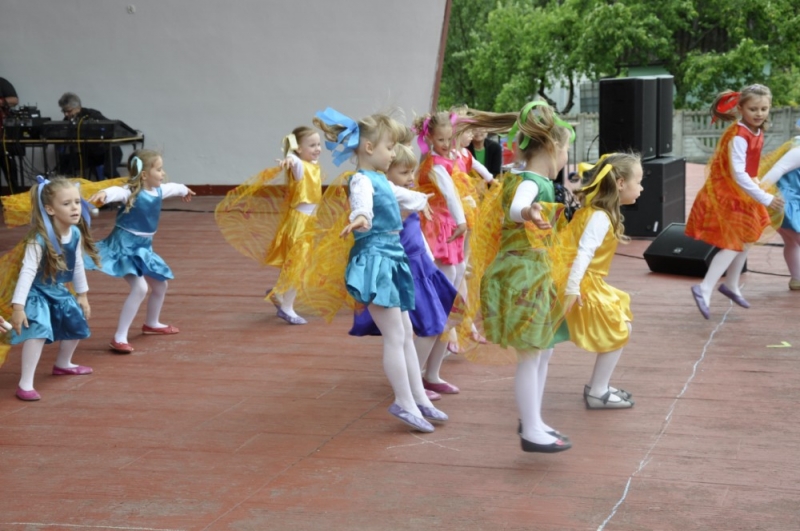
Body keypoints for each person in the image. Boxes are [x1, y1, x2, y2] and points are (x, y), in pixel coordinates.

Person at [314, 107, 447, 432]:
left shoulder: (379, 180)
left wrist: (421, 201)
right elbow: (363, 204)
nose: (393, 153)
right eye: (389, 147)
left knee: (405, 333)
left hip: (391, 257)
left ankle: (419, 397)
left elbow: (400, 194)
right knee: (395, 335)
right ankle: (404, 400)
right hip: (376, 260)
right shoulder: (361, 180)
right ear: (370, 147)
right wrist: (360, 217)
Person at [462, 101, 573, 453]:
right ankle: (530, 429)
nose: (566, 158)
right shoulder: (531, 182)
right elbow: (514, 209)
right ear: (552, 147)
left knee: (543, 351)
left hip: (533, 273)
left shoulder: (530, 179)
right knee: (530, 355)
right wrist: (529, 211)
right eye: (566, 151)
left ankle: (534, 418)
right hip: (522, 275)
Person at [348, 142, 458, 403]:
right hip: (407, 271)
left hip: (423, 267)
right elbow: (369, 211)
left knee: (447, 317)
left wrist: (432, 263)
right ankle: (413, 379)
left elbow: (419, 235)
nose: (411, 178)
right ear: (387, 175)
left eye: (412, 172)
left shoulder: (403, 195)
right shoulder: (385, 196)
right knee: (428, 326)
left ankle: (431, 374)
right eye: (404, 172)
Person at [685, 84, 785, 318]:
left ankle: (730, 284)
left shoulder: (756, 131)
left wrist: (758, 184)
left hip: (742, 193)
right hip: (727, 195)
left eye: (764, 109)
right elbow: (738, 173)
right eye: (753, 109)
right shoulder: (739, 135)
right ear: (740, 108)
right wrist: (764, 197)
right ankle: (704, 288)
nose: (759, 114)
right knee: (733, 243)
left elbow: (749, 170)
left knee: (748, 237)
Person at [86, 149, 195, 353]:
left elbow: (174, 187)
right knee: (140, 288)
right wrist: (105, 194)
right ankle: (119, 337)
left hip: (143, 247)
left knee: (160, 286)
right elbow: (116, 191)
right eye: (159, 169)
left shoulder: (159, 190)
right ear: (144, 174)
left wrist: (184, 190)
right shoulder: (131, 191)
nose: (163, 173)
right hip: (124, 247)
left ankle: (151, 323)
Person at [215, 126, 323, 325]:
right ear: (298, 148)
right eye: (312, 145)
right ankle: (287, 307)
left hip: (305, 222)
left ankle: (279, 293)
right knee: (298, 266)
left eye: (318, 144)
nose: (318, 148)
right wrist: (288, 158)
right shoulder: (299, 164)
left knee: (295, 263)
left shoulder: (311, 163)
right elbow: (293, 160)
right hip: (300, 223)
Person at [7, 176, 99, 400]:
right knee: (38, 331)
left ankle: (63, 363)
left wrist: (83, 294)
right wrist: (18, 307)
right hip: (36, 291)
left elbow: (77, 264)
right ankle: (25, 383)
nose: (75, 208)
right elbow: (27, 272)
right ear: (50, 209)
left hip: (57, 288)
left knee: (76, 322)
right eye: (66, 204)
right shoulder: (38, 239)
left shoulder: (74, 233)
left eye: (77, 202)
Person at [562, 153, 642, 409]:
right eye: (638, 181)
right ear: (621, 183)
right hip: (580, 283)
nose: (641, 188)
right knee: (620, 327)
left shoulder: (598, 213)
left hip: (585, 281)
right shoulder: (599, 217)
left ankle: (599, 386)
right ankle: (598, 391)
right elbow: (584, 253)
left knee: (622, 324)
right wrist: (572, 288)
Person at [413, 111, 469, 390]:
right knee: (441, 302)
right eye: (441, 140)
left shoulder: (447, 159)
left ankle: (432, 374)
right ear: (429, 139)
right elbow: (450, 194)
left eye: (450, 139)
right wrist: (462, 220)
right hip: (441, 230)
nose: (447, 144)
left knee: (449, 303)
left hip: (449, 229)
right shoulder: (434, 164)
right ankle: (416, 376)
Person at [758, 138, 800, 289]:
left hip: (785, 202)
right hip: (785, 204)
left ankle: (797, 279)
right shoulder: (798, 150)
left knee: (791, 242)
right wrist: (759, 193)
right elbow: (777, 169)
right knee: (793, 240)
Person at [57, 92, 123, 179]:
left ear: (78, 108)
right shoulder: (67, 121)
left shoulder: (92, 114)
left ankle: (119, 185)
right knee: (65, 163)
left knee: (109, 171)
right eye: (64, 111)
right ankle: (65, 186)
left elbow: (110, 127)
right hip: (89, 154)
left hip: (108, 151)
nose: (66, 114)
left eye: (69, 111)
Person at [0, 77, 23, 191]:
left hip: (2, 137)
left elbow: (14, 100)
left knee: (9, 170)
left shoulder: (1, 82)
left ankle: (14, 196)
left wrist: (1, 101)